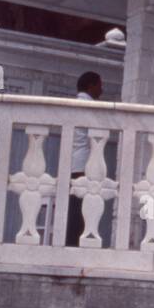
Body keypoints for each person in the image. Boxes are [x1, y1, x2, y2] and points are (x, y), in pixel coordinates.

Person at [65, 72, 103, 245]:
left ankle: (69, 241)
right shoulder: (91, 106)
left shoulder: (72, 104)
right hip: (84, 163)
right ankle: (76, 243)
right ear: (91, 86)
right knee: (82, 208)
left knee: (73, 205)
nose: (101, 89)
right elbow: (95, 136)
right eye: (99, 85)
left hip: (70, 162)